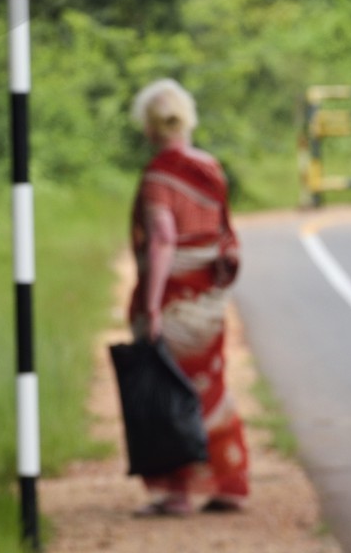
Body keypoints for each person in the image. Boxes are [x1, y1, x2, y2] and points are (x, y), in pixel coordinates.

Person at [128, 78, 250, 516]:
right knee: (209, 385)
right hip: (210, 301)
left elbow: (162, 240)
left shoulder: (160, 175)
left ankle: (178, 491)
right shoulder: (210, 167)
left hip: (177, 300)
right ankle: (229, 481)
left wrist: (153, 306)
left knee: (169, 393)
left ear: (148, 126)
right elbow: (222, 233)